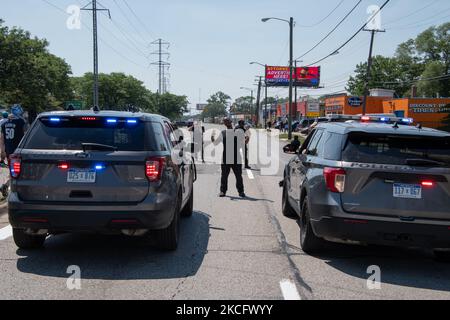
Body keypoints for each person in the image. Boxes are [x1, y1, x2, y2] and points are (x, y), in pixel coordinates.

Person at [212, 118, 246, 198]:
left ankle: (241, 191)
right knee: (224, 176)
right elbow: (216, 143)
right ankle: (223, 191)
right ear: (224, 123)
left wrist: (246, 139)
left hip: (236, 157)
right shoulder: (223, 133)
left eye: (227, 121)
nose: (226, 122)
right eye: (224, 121)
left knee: (238, 176)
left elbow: (242, 143)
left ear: (231, 122)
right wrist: (212, 137)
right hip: (226, 158)